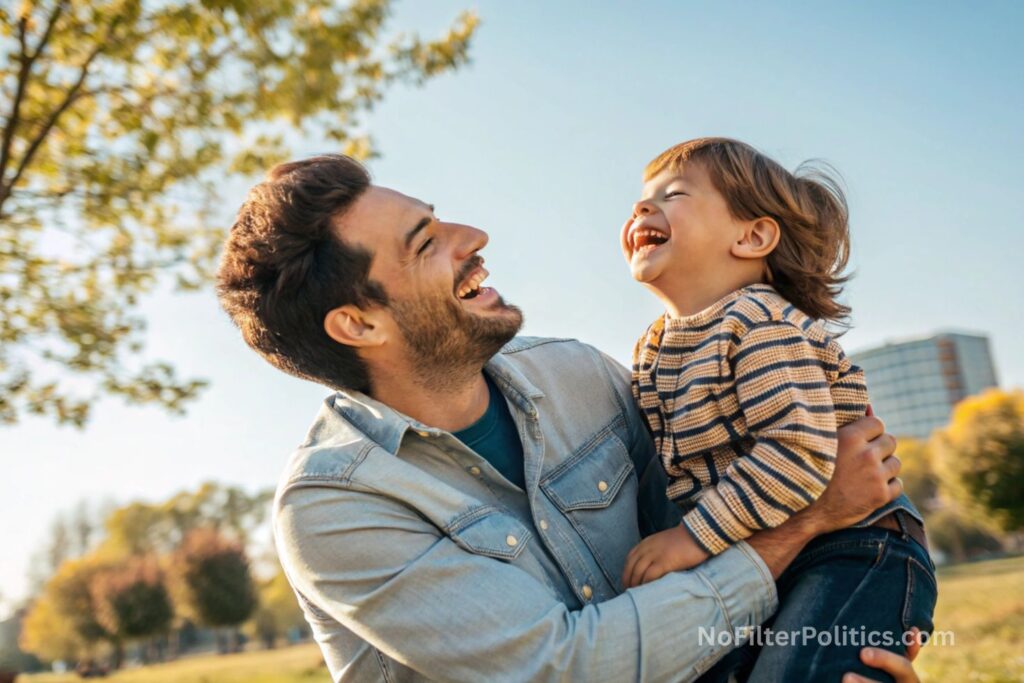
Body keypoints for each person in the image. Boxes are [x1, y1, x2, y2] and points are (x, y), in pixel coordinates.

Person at [215, 153, 924, 682]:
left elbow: (729, 496)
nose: (474, 236)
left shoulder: (580, 374)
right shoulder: (334, 507)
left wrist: (835, 641)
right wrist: (806, 525)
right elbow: (565, 667)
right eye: (426, 242)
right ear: (358, 324)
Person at [618, 138, 936, 681]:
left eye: (673, 194)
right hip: (753, 558)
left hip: (854, 547)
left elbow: (796, 454)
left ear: (753, 236)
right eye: (641, 200)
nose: (641, 210)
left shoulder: (757, 322)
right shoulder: (654, 347)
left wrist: (690, 538)